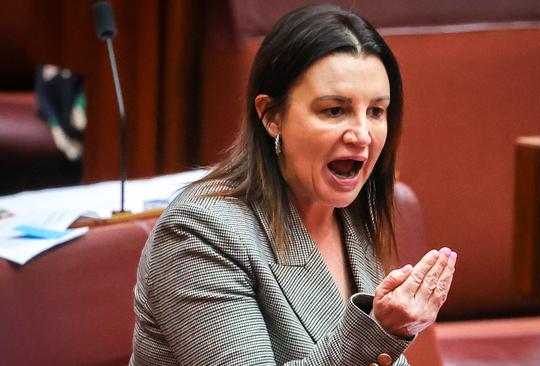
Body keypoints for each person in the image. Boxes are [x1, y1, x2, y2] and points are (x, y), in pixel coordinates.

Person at [130, 4, 457, 366]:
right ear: (271, 116)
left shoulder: (356, 214)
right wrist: (380, 330)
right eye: (335, 110)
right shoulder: (201, 231)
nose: (363, 135)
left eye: (376, 111)